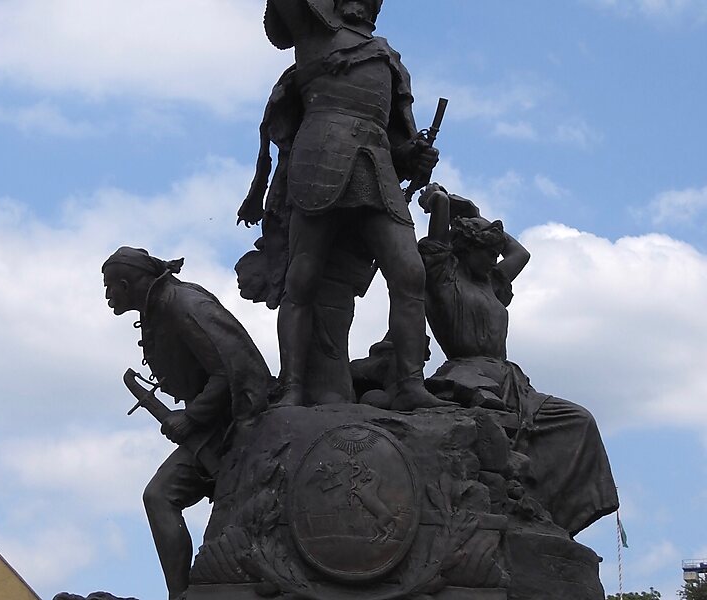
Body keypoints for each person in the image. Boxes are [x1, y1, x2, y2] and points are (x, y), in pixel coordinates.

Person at [237, 0, 443, 409]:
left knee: (410, 272)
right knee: (302, 279)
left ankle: (410, 385)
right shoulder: (316, 34)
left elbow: (396, 138)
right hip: (320, 159)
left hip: (377, 167)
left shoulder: (389, 58)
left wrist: (413, 154)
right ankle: (293, 387)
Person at [417, 184, 619, 536]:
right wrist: (443, 206)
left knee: (580, 420)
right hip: (467, 374)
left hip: (511, 380)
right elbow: (436, 243)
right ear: (467, 249)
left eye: (495, 254)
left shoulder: (492, 282)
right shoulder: (443, 277)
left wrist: (475, 215)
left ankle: (551, 517)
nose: (495, 260)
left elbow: (520, 253)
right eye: (487, 253)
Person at [102, 247, 271, 600]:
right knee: (159, 496)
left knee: (162, 496)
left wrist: (192, 418)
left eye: (109, 286)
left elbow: (231, 370)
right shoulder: (159, 307)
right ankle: (180, 595)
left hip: (238, 425)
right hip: (212, 426)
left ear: (125, 284)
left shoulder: (183, 305)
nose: (106, 295)